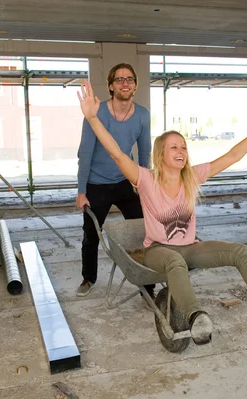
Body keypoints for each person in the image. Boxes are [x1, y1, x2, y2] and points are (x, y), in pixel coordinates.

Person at [77, 81, 247, 345]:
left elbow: (232, 156)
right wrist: (93, 119)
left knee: (240, 251)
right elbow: (117, 154)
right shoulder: (146, 179)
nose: (181, 151)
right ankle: (196, 316)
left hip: (190, 248)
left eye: (183, 147)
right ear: (161, 154)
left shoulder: (192, 177)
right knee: (175, 263)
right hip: (157, 251)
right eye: (174, 147)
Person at [75, 63, 156, 300]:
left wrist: (143, 183)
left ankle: (147, 285)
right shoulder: (96, 112)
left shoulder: (142, 115)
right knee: (91, 234)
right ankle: (89, 278)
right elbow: (85, 153)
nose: (125, 83)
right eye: (119, 79)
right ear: (111, 85)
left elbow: (144, 152)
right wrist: (82, 191)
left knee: (144, 229)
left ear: (135, 85)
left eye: (129, 79)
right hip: (96, 184)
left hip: (124, 181)